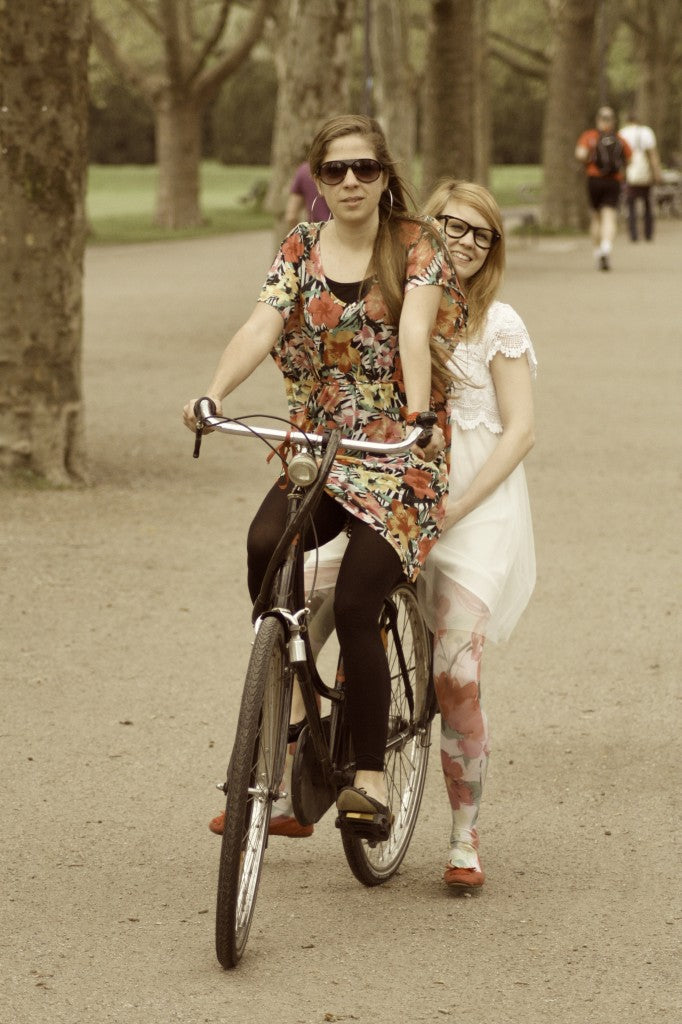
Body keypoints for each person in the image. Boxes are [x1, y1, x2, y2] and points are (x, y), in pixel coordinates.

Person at [184, 115, 466, 841]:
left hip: (402, 452)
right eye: (334, 171)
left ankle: (369, 774)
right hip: (320, 447)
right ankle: (303, 716)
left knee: (355, 594)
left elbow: (413, 332)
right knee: (263, 545)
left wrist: (415, 412)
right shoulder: (298, 248)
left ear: (384, 175)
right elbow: (261, 327)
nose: (349, 182)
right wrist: (212, 395)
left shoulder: (416, 245)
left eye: (364, 169)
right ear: (316, 178)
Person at [302, 180, 537, 892]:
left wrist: (459, 505)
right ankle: (285, 762)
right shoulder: (392, 302)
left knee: (456, 675)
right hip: (390, 489)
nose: (463, 242)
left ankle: (464, 835)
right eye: (451, 226)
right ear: (421, 227)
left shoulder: (497, 322)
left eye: (479, 234)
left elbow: (521, 430)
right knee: (305, 595)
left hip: (472, 505)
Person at [575, 106, 632, 271]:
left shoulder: (590, 136)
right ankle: (606, 248)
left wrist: (590, 159)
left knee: (596, 217)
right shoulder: (620, 139)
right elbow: (630, 159)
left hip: (594, 180)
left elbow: (580, 154)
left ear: (598, 120)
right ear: (613, 121)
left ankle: (597, 252)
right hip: (613, 182)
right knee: (609, 216)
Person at [619, 111, 663, 242]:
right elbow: (653, 155)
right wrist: (656, 172)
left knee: (631, 204)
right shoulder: (646, 132)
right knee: (647, 203)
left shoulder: (623, 133)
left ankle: (633, 234)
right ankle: (648, 233)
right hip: (645, 173)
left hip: (631, 174)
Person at [284, 160, 331, 229]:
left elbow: (291, 216)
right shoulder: (341, 169)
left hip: (315, 231)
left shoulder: (304, 170)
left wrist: (304, 233)